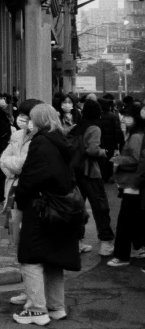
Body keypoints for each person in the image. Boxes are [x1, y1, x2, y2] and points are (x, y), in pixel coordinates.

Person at [12, 104, 80, 325]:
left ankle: (36, 309)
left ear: (38, 120)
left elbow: (30, 178)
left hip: (40, 206)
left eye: (31, 119)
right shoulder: (60, 139)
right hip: (61, 206)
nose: (28, 122)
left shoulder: (41, 142)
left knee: (30, 258)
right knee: (54, 259)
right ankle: (55, 306)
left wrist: (19, 201)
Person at [0, 98, 42, 307]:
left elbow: (24, 165)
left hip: (30, 195)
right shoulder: (17, 135)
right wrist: (10, 168)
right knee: (18, 243)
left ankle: (36, 298)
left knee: (30, 246)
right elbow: (4, 160)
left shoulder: (40, 139)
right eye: (22, 116)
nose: (23, 120)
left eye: (27, 117)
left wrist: (12, 167)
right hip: (13, 192)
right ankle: (29, 291)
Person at [70, 100, 115, 256]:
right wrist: (103, 152)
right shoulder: (94, 127)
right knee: (100, 207)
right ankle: (105, 243)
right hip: (90, 172)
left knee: (77, 207)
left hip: (75, 173)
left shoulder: (76, 127)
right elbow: (93, 150)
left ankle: (77, 242)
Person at [107, 106, 145, 267]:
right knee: (135, 218)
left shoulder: (136, 136)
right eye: (124, 116)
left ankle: (122, 255)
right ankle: (137, 247)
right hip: (134, 182)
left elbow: (138, 160)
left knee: (125, 220)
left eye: (129, 116)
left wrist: (119, 160)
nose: (124, 119)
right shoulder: (134, 134)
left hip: (133, 182)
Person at [97, 98, 124, 183]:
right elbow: (116, 130)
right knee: (110, 159)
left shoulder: (98, 116)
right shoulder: (112, 116)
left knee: (101, 159)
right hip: (111, 141)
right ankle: (109, 176)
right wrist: (116, 144)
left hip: (101, 141)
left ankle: (102, 175)